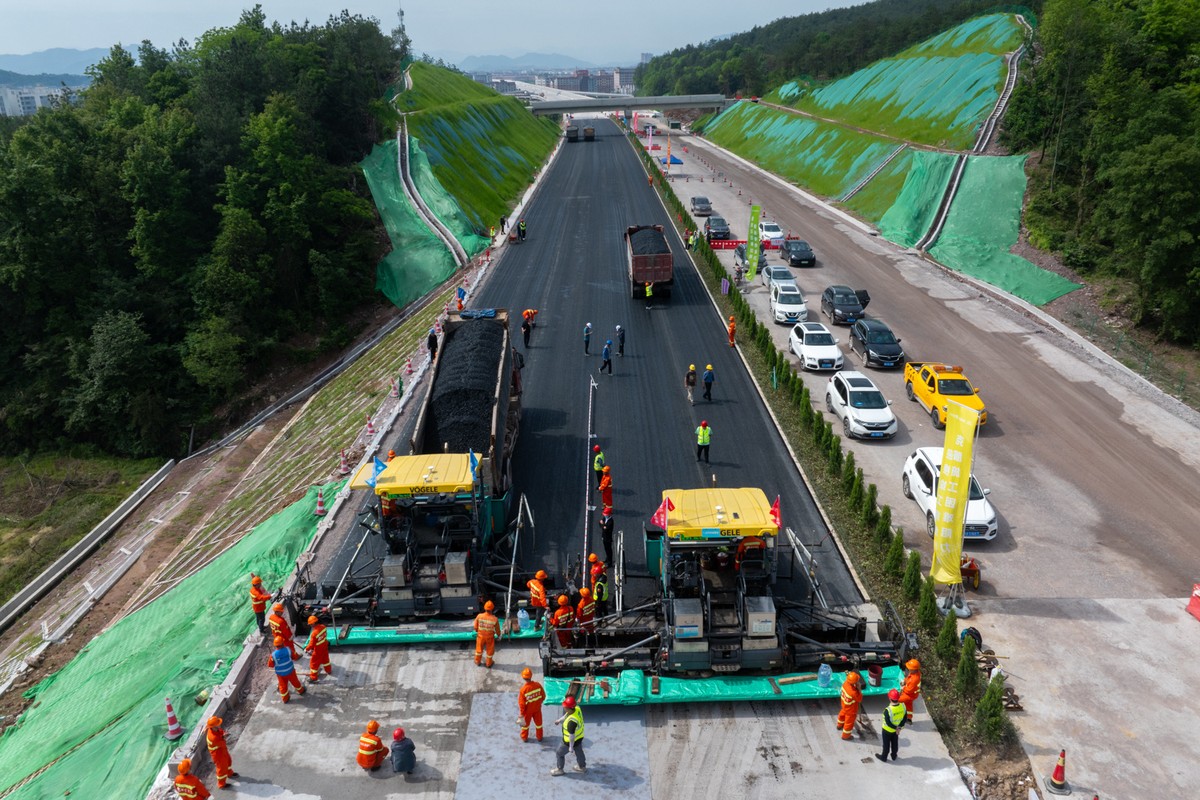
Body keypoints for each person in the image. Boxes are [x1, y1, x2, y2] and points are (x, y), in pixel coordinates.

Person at [551, 696, 586, 776]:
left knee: (559, 753)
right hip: (579, 737)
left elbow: (571, 736)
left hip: (568, 741)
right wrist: (559, 720)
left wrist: (570, 746)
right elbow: (567, 715)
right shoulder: (577, 708)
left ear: (569, 708)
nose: (564, 708)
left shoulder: (571, 723)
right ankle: (582, 767)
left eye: (565, 707)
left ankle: (560, 769)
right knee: (579, 752)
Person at [267, 635, 305, 703]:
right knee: (295, 682)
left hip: (281, 674)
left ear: (275, 645)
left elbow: (270, 665)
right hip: (290, 671)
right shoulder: (288, 649)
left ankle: (285, 699)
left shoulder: (273, 655)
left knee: (283, 686)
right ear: (282, 643)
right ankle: (301, 691)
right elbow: (294, 657)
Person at [205, 717, 237, 789]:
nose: (220, 724)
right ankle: (221, 784)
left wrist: (224, 733)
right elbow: (222, 742)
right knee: (222, 768)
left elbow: (220, 731)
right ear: (213, 726)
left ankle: (229, 773)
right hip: (217, 754)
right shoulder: (213, 737)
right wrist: (224, 737)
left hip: (221, 750)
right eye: (218, 723)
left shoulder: (215, 729)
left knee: (228, 761)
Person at [876, 689, 908, 763]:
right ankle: (894, 756)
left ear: (890, 698)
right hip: (896, 731)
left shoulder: (888, 710)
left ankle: (884, 757)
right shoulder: (903, 706)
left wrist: (895, 728)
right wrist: (899, 728)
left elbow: (888, 722)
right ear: (898, 697)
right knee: (895, 744)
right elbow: (905, 718)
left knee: (886, 745)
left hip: (887, 730)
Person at [518, 667, 546, 742]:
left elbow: (522, 704)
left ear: (523, 677)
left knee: (525, 725)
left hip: (528, 711)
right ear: (531, 676)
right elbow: (543, 696)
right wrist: (538, 703)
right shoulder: (538, 685)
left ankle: (524, 737)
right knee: (539, 724)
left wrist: (522, 714)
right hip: (537, 709)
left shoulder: (523, 690)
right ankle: (539, 737)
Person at [304, 615, 332, 683]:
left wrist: (306, 649)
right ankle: (328, 670)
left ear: (313, 623)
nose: (310, 625)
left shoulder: (314, 633)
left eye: (310, 624)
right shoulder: (323, 627)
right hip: (324, 646)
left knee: (314, 663)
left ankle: (313, 677)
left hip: (318, 649)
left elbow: (311, 644)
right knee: (325, 659)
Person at [837, 672, 863, 741]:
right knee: (849, 723)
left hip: (844, 705)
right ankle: (845, 736)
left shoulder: (845, 684)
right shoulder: (854, 692)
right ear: (854, 682)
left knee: (842, 715)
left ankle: (839, 725)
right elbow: (859, 699)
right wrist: (859, 689)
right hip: (851, 710)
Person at [474, 600, 500, 668]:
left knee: (479, 649)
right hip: (490, 637)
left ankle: (477, 661)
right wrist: (499, 635)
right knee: (489, 650)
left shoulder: (479, 616)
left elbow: (475, 626)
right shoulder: (495, 619)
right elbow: (497, 630)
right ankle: (488, 663)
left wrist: (477, 630)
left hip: (480, 636)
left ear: (484, 608)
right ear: (492, 609)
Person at [899, 659, 922, 723]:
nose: (908, 669)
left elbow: (908, 690)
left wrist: (902, 688)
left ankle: (894, 715)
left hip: (909, 694)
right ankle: (908, 718)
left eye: (909, 668)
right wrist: (904, 681)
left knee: (897, 700)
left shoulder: (914, 679)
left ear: (914, 669)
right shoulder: (915, 673)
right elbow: (909, 678)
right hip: (913, 694)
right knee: (908, 704)